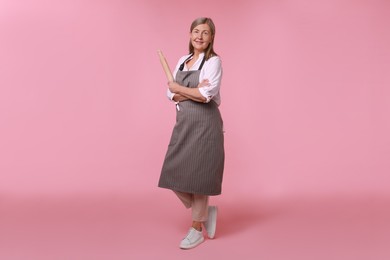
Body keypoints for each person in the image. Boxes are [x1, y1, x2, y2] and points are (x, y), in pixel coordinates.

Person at [158, 17, 224, 250]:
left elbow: (206, 94)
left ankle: (196, 228)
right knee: (173, 171)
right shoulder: (183, 60)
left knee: (200, 176)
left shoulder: (213, 62)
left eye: (205, 33)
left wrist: (180, 89)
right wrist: (187, 91)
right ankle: (206, 211)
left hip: (206, 125)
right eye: (196, 31)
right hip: (184, 123)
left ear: (211, 37)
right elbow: (170, 95)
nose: (200, 36)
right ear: (190, 34)